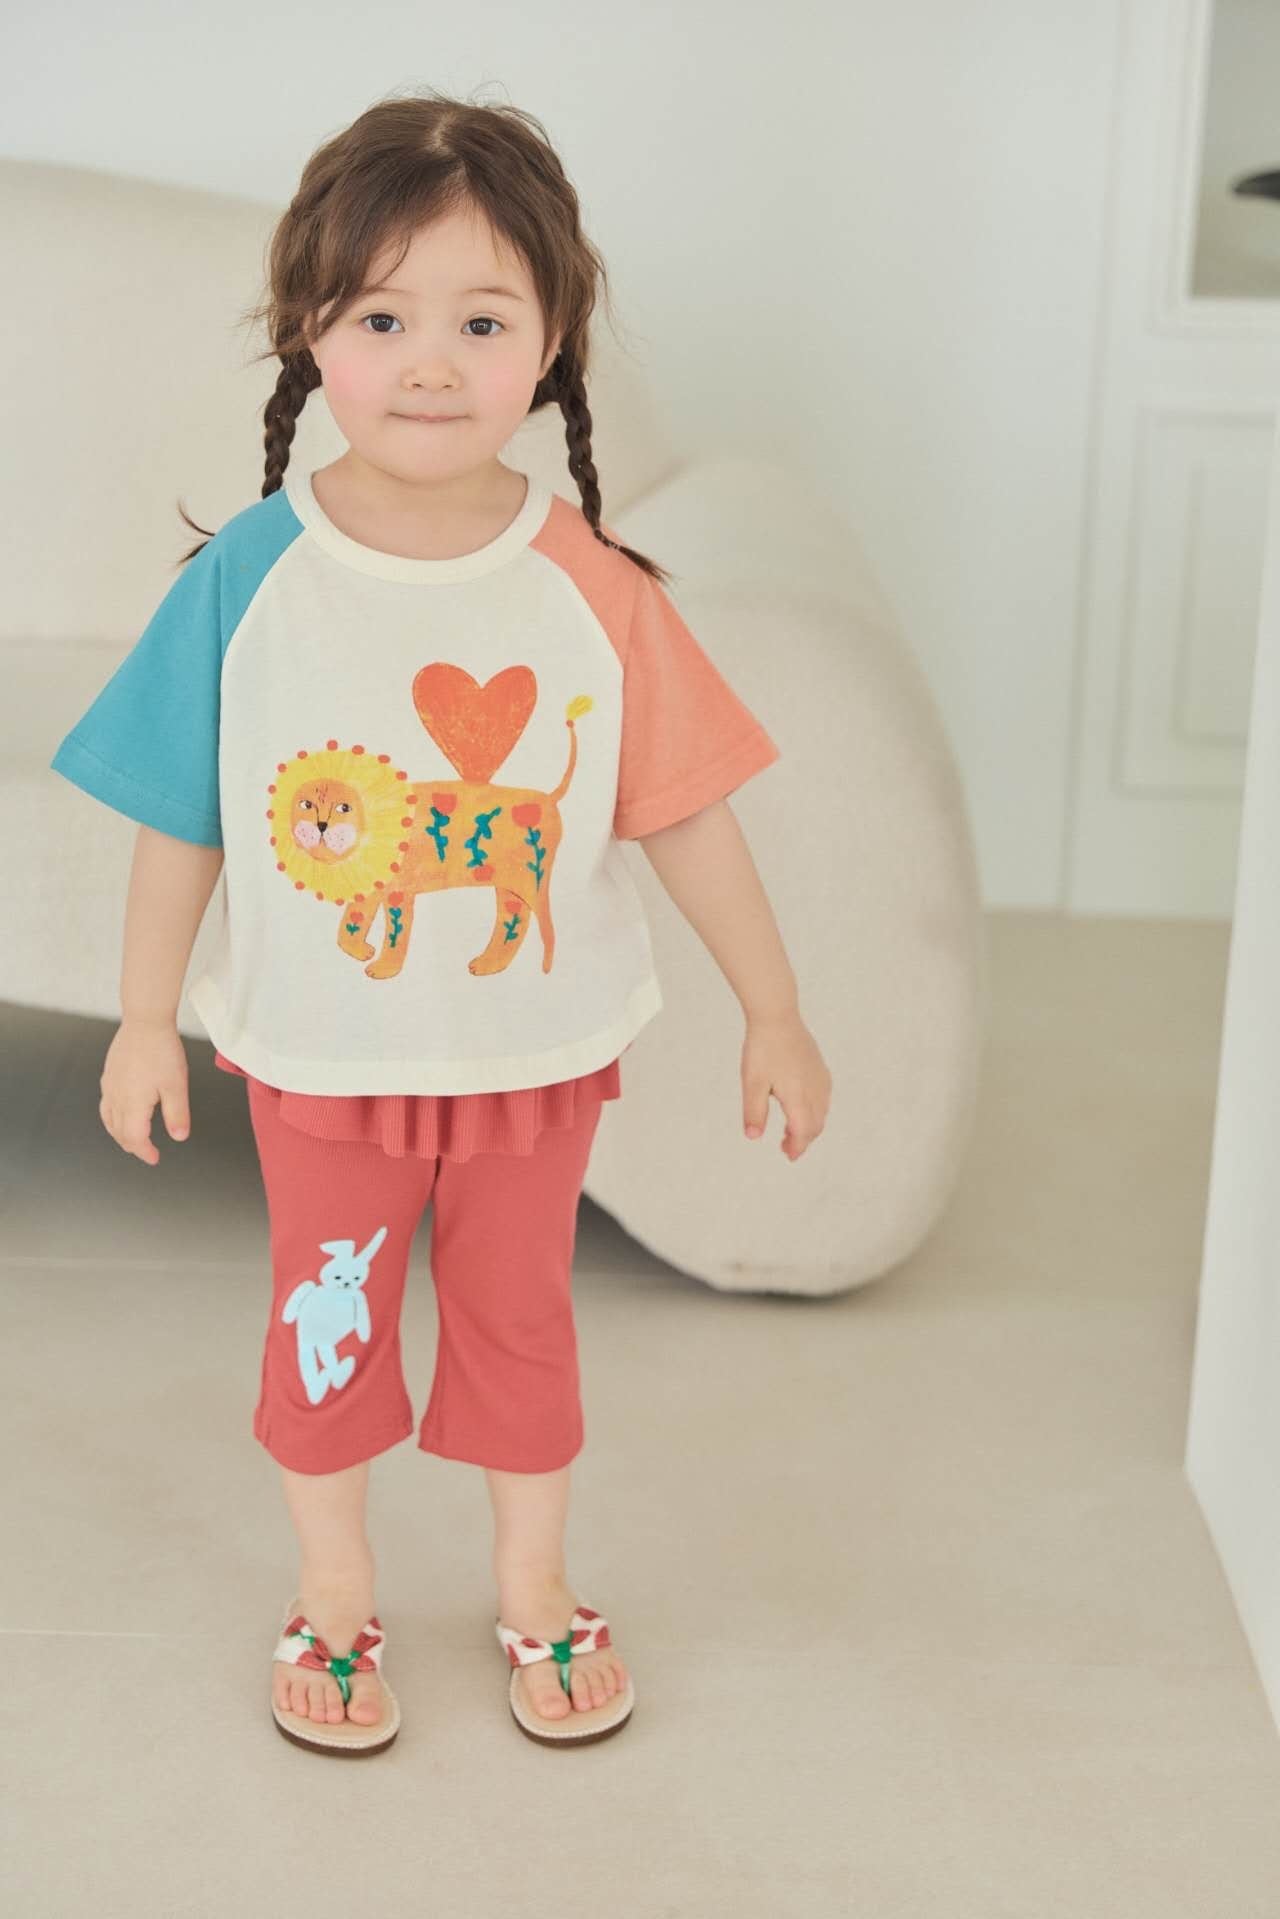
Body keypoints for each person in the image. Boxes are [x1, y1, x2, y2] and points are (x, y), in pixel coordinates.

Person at [50, 89, 832, 1755]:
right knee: (325, 1326)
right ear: (308, 331)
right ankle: (334, 1595)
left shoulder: (590, 582)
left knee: (519, 1325)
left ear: (550, 345)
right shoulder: (249, 577)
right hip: (321, 1067)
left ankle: (536, 1586)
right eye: (382, 318)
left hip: (530, 1064)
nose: (429, 363)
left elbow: (685, 808)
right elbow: (180, 818)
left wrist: (774, 1009)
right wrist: (143, 1019)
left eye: (481, 321)